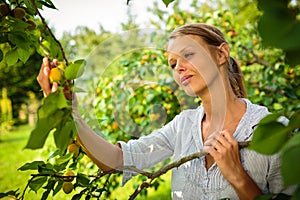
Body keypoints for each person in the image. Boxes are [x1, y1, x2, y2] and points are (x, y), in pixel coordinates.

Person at [37, 23, 291, 200]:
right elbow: (117, 161)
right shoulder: (183, 126)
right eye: (172, 63)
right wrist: (72, 114)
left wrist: (239, 178)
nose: (178, 67)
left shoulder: (276, 129)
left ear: (222, 53)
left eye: (188, 54)